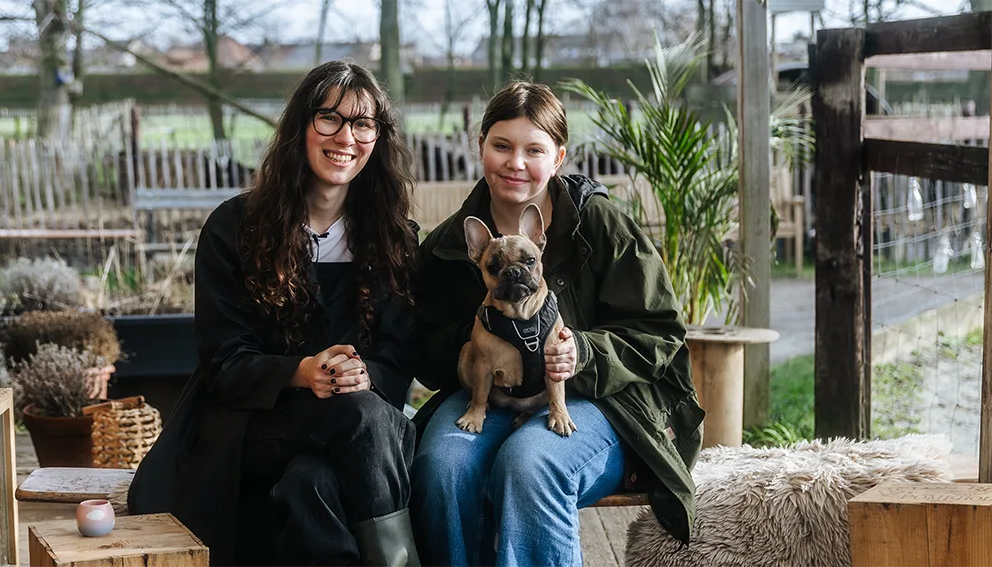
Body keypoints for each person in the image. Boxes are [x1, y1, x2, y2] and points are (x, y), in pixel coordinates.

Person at [128, 61, 422, 567]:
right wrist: (303, 372)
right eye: (329, 118)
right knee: (366, 416)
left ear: (379, 137)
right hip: (250, 427)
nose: (345, 137)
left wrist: (360, 373)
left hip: (349, 427)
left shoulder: (394, 240)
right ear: (299, 127)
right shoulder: (235, 228)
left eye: (362, 123)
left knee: (313, 483)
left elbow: (396, 365)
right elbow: (224, 364)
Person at [409, 81, 705, 567]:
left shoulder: (601, 225)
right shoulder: (448, 244)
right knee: (444, 465)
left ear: (559, 156)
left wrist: (584, 353)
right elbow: (422, 346)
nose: (516, 162)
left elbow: (661, 335)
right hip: (489, 397)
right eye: (501, 145)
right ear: (480, 146)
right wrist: (480, 350)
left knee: (530, 463)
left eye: (534, 149)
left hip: (604, 401)